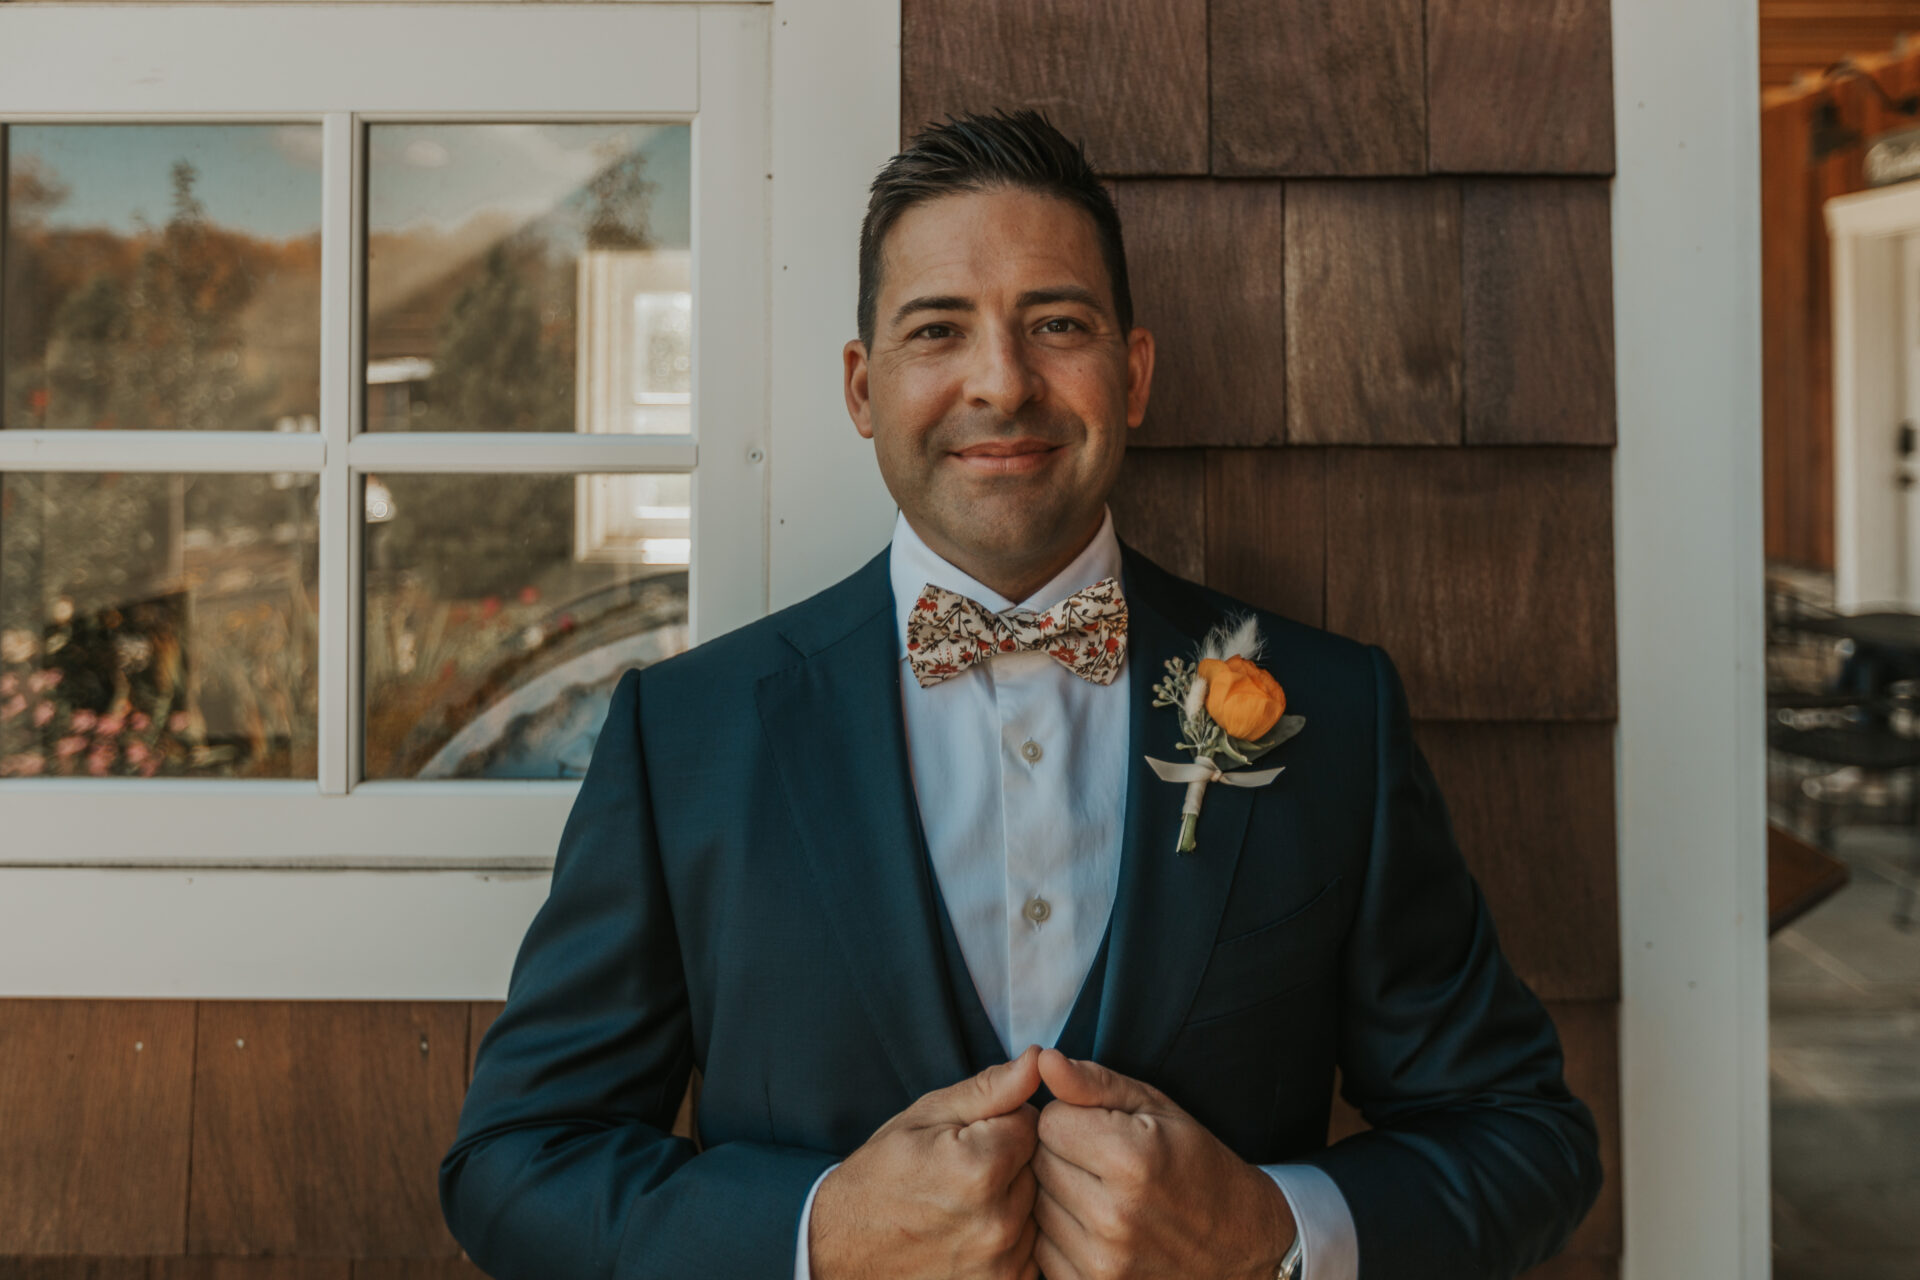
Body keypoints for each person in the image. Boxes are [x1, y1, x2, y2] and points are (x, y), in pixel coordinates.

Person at [439, 108, 1602, 1280]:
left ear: (1132, 372)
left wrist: (1278, 1229)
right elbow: (516, 1160)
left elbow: (1523, 1137)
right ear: (862, 387)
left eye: (1057, 323)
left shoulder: (1336, 710)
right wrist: (815, 1236)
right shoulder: (681, 734)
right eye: (938, 328)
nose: (1001, 382)